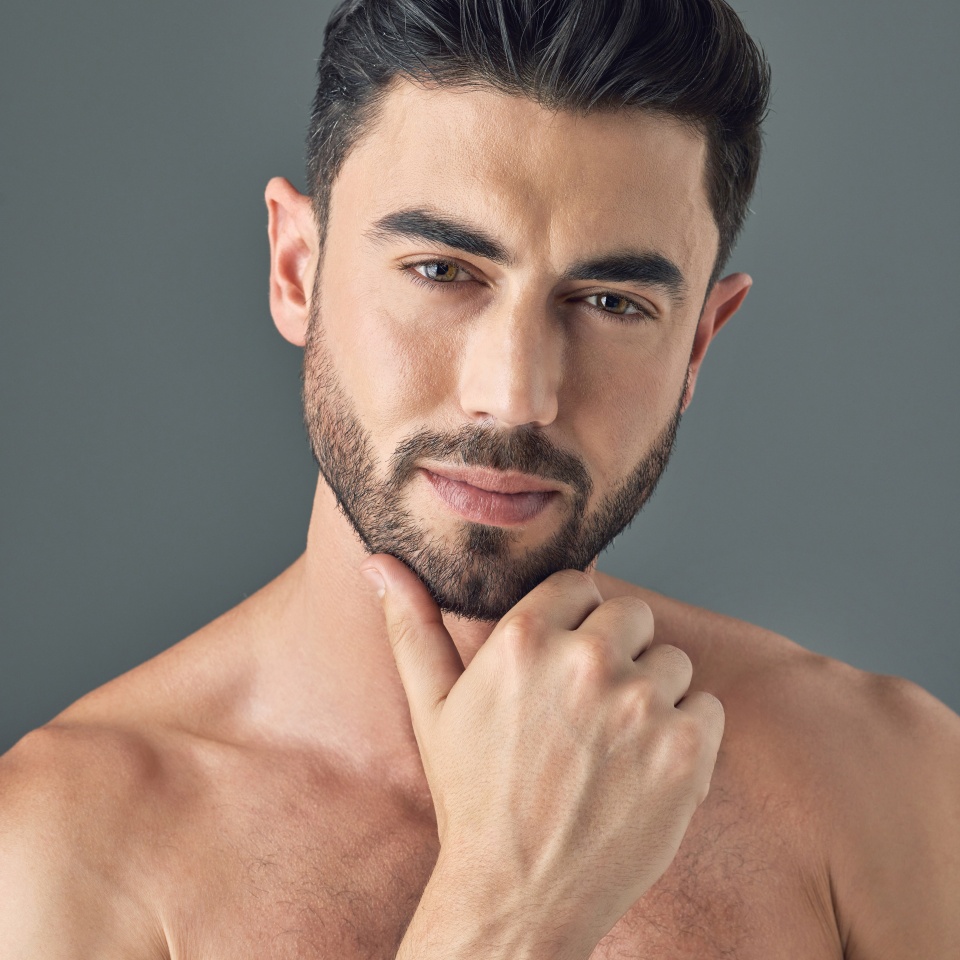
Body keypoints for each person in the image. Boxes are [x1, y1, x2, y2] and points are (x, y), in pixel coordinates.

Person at [2, 0, 958, 956]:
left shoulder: (884, 783)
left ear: (699, 345)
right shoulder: (59, 853)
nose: (515, 397)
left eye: (611, 302)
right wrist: (510, 909)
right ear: (297, 269)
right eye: (441, 271)